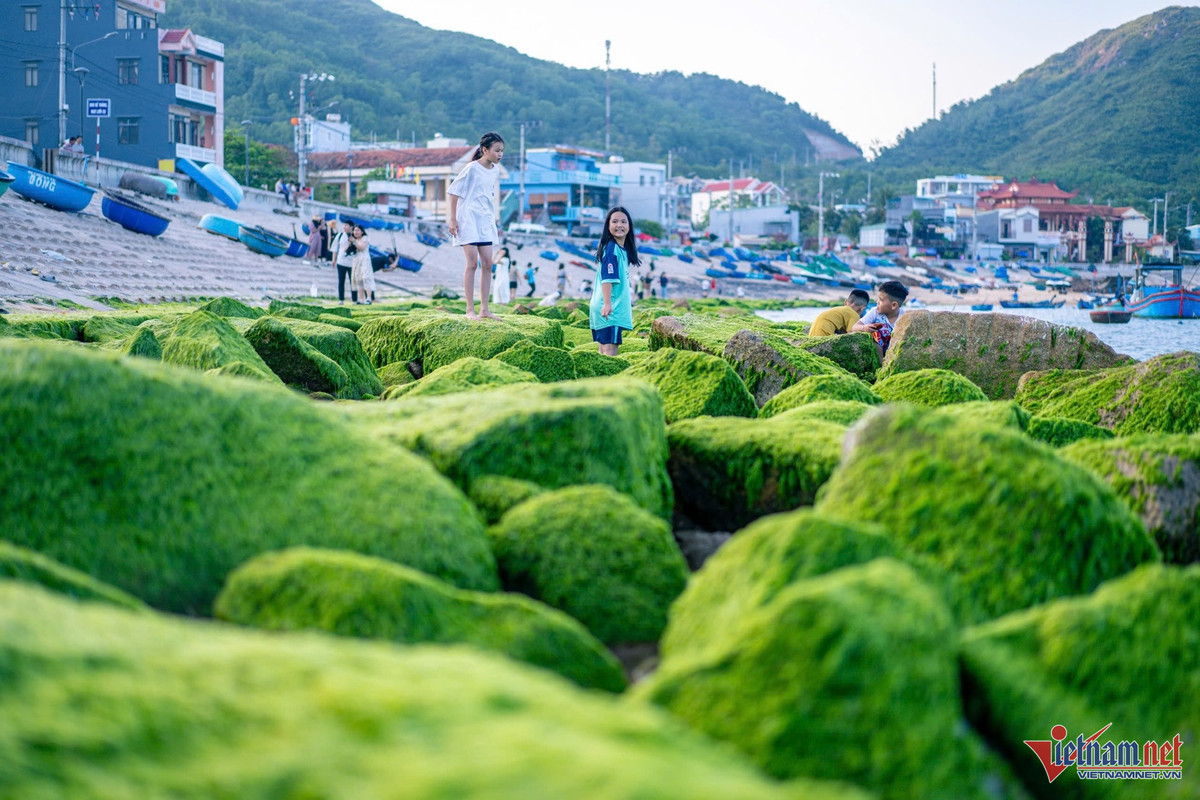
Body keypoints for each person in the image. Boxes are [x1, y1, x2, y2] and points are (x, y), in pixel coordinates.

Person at [448, 131, 505, 319]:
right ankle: (469, 310)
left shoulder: (495, 170)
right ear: (484, 150)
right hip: (468, 219)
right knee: (472, 264)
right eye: (497, 150)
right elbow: (454, 191)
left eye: (502, 151)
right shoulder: (471, 168)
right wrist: (453, 218)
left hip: (485, 221)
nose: (500, 154)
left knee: (488, 264)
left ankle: (485, 310)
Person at [589, 206, 639, 356]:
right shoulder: (612, 249)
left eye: (623, 222)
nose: (619, 225)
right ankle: (608, 379)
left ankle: (599, 379)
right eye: (615, 221)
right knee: (610, 351)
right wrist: (607, 304)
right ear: (608, 225)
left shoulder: (620, 249)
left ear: (629, 226)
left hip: (607, 306)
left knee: (603, 350)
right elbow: (607, 279)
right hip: (610, 308)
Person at [853, 280, 909, 358]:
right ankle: (880, 365)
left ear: (894, 305)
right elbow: (854, 327)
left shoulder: (905, 317)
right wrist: (864, 328)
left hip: (896, 353)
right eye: (878, 299)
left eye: (881, 300)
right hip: (878, 351)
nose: (877, 302)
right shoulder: (875, 312)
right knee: (875, 334)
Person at [349, 224, 375, 304]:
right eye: (354, 230)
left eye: (357, 230)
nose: (355, 232)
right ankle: (361, 299)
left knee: (365, 278)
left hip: (364, 260)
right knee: (358, 279)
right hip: (356, 260)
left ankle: (369, 298)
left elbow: (361, 247)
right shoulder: (354, 240)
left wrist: (354, 241)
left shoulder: (365, 238)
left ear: (362, 231)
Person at [331, 220, 356, 304]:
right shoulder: (340, 235)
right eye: (344, 225)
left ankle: (355, 300)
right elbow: (334, 247)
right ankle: (341, 299)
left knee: (353, 281)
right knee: (341, 281)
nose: (344, 227)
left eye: (346, 225)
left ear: (351, 227)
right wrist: (333, 260)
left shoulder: (355, 236)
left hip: (352, 262)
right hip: (341, 261)